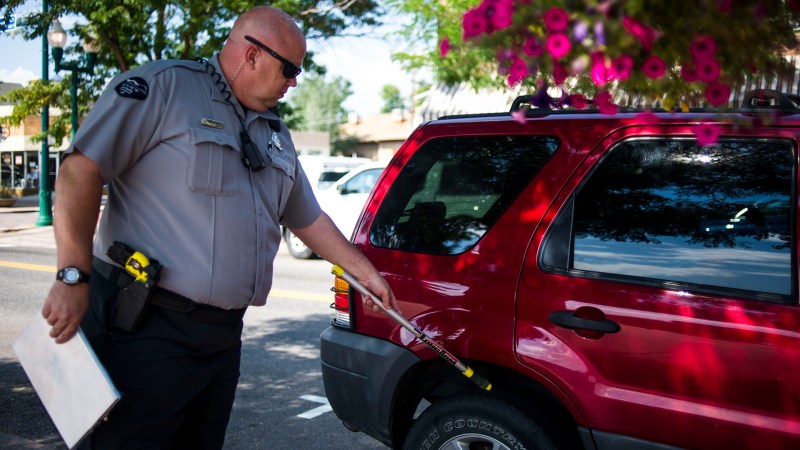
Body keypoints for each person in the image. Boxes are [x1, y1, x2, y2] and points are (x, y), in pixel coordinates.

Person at [40, 6, 397, 449]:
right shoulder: (164, 88)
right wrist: (72, 275)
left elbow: (306, 216)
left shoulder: (275, 132)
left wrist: (363, 273)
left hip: (223, 339)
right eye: (290, 69)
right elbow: (80, 170)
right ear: (251, 56)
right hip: (149, 329)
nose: (295, 82)